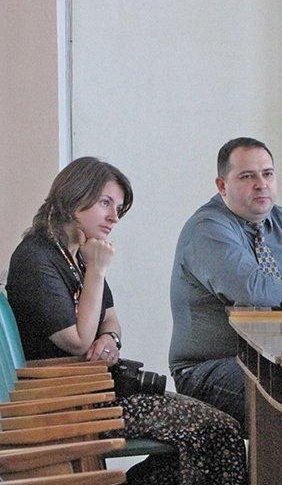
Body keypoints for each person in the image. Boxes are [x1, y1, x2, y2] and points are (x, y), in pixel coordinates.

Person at [6, 157, 246, 485]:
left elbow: (110, 320)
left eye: (118, 208)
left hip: (97, 393)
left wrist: (111, 340)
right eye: (105, 203)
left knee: (219, 429)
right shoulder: (37, 257)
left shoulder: (78, 253)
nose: (114, 217)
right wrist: (97, 270)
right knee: (216, 431)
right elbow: (77, 340)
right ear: (74, 195)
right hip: (67, 403)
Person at [169, 137, 282, 425]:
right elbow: (252, 291)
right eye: (247, 176)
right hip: (211, 367)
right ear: (222, 185)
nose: (261, 184)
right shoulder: (206, 228)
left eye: (268, 174)